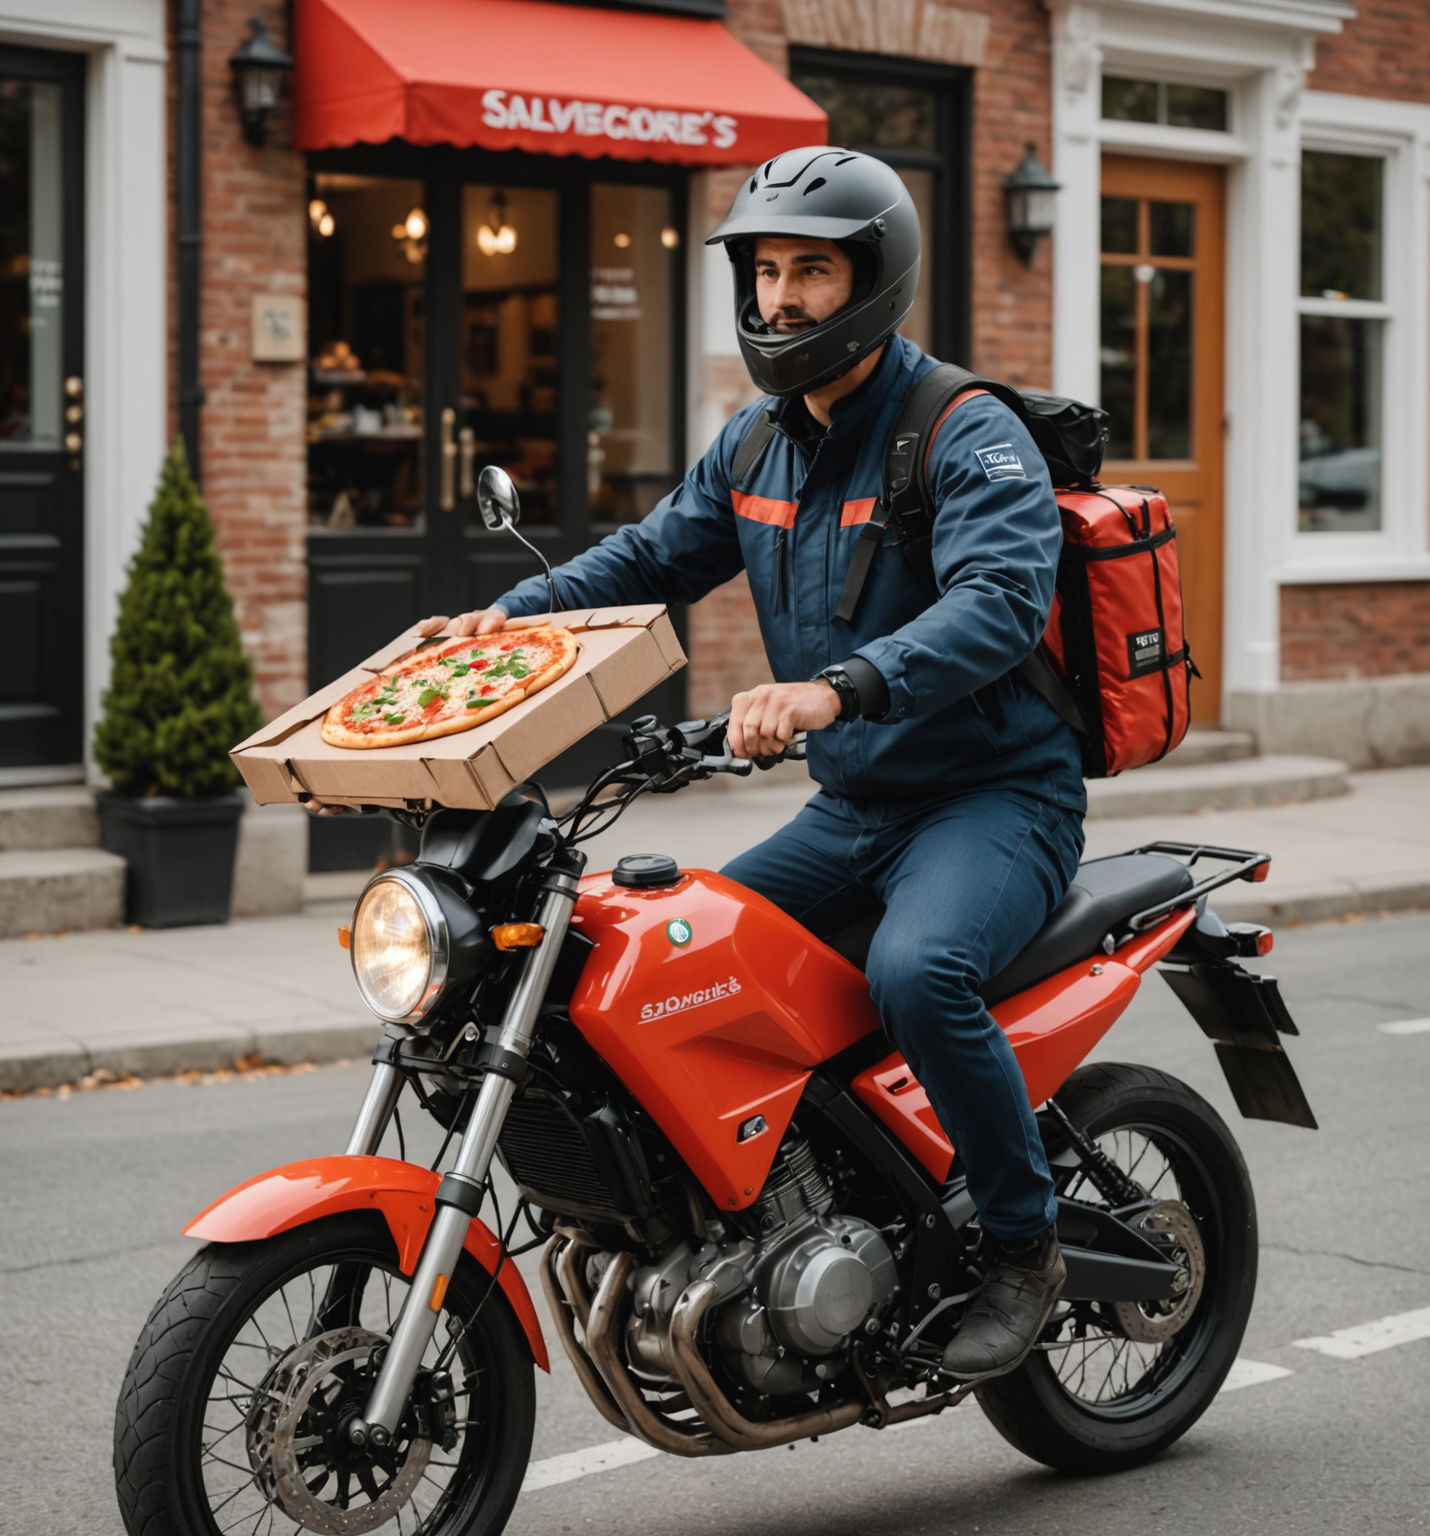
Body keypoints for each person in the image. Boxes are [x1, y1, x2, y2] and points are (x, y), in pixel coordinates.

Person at [373, 148, 1083, 1381]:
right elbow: (647, 560)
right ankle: (773, 1222)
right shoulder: (755, 441)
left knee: (921, 973)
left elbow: (1001, 602)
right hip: (854, 804)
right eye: (765, 271)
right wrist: (512, 618)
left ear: (873, 278)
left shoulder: (967, 432)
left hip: (994, 800)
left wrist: (832, 688)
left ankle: (1025, 1245)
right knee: (670, 976)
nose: (783, 297)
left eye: (812, 269)